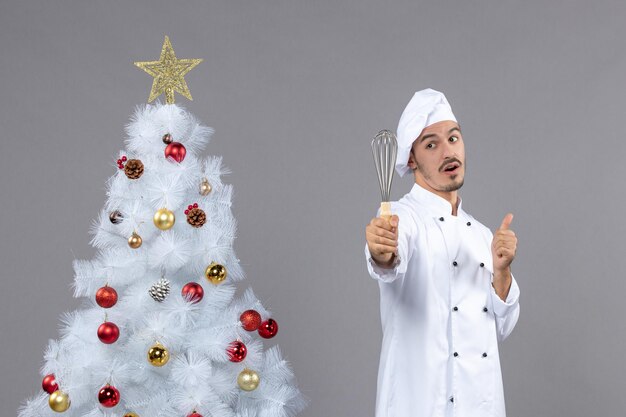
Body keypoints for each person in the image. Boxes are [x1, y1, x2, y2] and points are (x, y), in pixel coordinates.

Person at [365, 88, 520, 417]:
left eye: (453, 138)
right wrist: (382, 251)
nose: (448, 152)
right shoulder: (403, 219)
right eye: (431, 144)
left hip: (481, 404)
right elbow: (389, 261)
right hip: (418, 402)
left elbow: (502, 326)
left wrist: (502, 272)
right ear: (411, 159)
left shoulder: (481, 235)